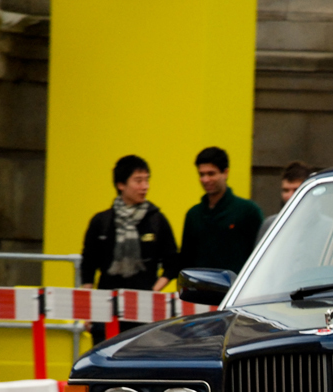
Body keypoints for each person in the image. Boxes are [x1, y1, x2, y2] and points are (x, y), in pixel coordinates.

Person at [80, 155, 179, 346]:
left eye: (147, 180)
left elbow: (172, 264)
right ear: (121, 185)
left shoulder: (156, 220)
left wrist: (152, 292)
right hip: (106, 309)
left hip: (145, 312)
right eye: (138, 181)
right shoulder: (101, 222)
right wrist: (88, 310)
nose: (145, 186)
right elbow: (88, 267)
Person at [180, 146, 264, 274]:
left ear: (225, 173)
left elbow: (261, 256)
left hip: (237, 290)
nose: (205, 179)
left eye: (211, 174)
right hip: (201, 291)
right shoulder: (193, 215)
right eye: (201, 174)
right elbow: (186, 260)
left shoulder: (248, 211)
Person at [256, 161, 315, 244]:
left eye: (296, 190)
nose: (290, 196)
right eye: (286, 190)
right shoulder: (271, 225)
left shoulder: (329, 227)